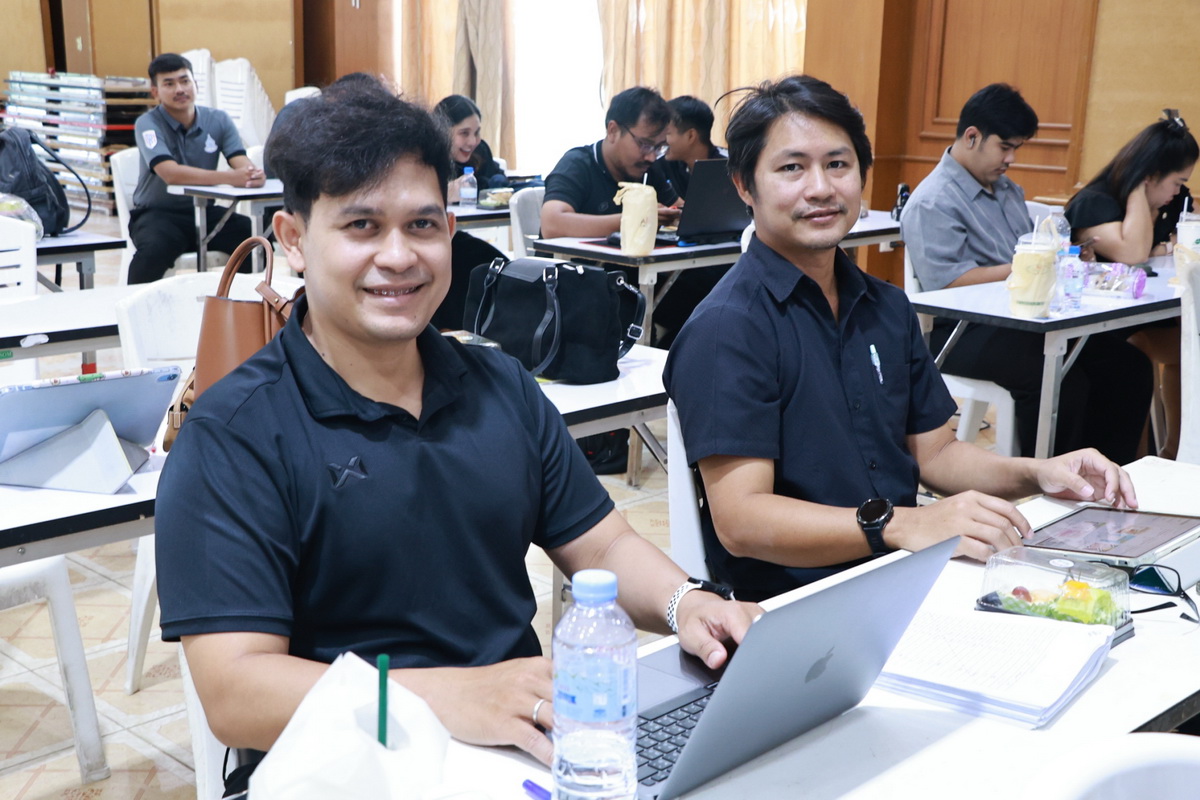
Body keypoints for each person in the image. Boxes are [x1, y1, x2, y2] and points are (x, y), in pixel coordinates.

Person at [154, 78, 760, 796]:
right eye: (361, 226)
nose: (398, 256)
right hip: (344, 770)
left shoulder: (500, 385)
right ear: (293, 240)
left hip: (519, 752)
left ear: (449, 230)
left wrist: (687, 603)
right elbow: (236, 691)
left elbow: (601, 546)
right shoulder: (236, 433)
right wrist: (448, 699)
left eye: (421, 225)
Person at [663, 75, 1137, 603]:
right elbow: (742, 520)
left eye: (838, 164)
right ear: (744, 185)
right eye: (792, 168)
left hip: (903, 576)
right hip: (792, 605)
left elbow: (937, 455)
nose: (820, 188)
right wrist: (902, 525)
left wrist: (1040, 472)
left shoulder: (886, 308)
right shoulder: (727, 328)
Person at [901, 83, 1152, 464]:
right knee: (1061, 379)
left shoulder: (1006, 190)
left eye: (1016, 148)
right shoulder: (932, 201)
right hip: (961, 332)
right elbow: (947, 285)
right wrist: (1033, 266)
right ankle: (1050, 482)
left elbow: (1032, 250)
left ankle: (1108, 475)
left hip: (1024, 321)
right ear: (972, 136)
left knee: (1128, 367)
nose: (1011, 158)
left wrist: (1065, 256)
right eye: (1005, 146)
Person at [1065, 112, 1197, 459]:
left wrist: (1159, 244)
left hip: (1145, 316)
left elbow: (1186, 241)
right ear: (1151, 175)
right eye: (1176, 182)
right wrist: (1139, 189)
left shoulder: (1172, 201)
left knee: (1192, 344)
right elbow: (1134, 252)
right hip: (1098, 330)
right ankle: (1135, 462)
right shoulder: (1095, 202)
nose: (1179, 191)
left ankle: (1176, 453)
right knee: (1138, 359)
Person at [128, 53, 264, 284]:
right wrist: (231, 178)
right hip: (158, 215)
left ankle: (241, 300)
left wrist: (253, 175)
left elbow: (241, 162)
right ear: (155, 92)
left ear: (195, 84)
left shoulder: (218, 120)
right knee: (153, 251)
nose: (180, 89)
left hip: (205, 213)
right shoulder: (147, 124)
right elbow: (170, 173)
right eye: (169, 84)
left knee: (250, 236)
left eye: (185, 81)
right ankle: (132, 305)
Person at [540, 86, 680, 239]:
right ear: (613, 131)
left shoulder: (647, 169)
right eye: (644, 144)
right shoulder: (577, 165)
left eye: (659, 147)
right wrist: (633, 219)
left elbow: (678, 208)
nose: (651, 157)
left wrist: (676, 215)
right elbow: (552, 225)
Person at [433, 94, 507, 201]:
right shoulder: (427, 159)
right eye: (464, 133)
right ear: (442, 132)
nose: (473, 142)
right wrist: (443, 194)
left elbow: (497, 177)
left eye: (476, 133)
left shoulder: (480, 150)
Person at [661, 95, 728, 199]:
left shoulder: (729, 168)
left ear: (690, 136)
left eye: (666, 133)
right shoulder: (661, 164)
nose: (660, 139)